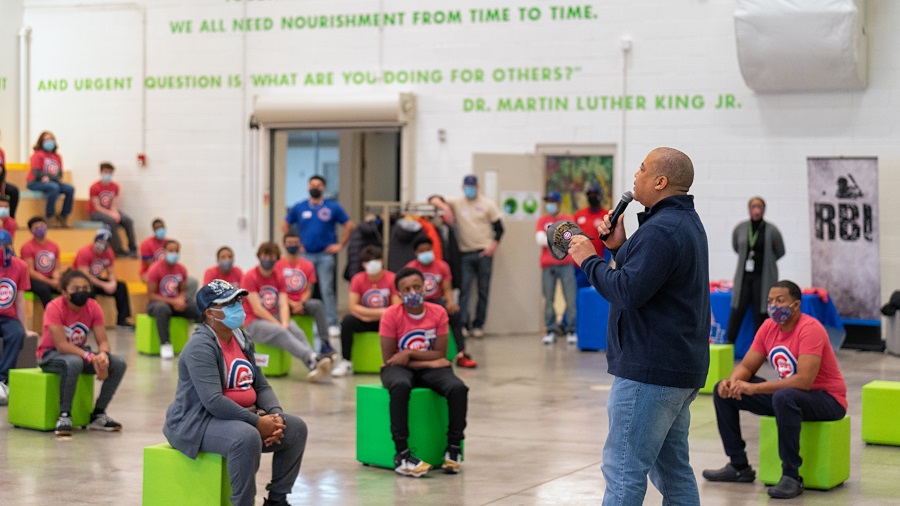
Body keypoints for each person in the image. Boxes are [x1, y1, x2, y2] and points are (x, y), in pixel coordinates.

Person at [568, 147, 710, 505]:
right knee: (674, 472)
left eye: (643, 169)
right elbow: (649, 278)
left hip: (650, 372)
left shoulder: (662, 230)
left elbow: (628, 291)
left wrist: (588, 259)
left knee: (623, 472)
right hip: (676, 369)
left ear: (660, 181)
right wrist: (620, 248)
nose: (635, 175)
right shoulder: (681, 223)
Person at [164, 279, 308, 506]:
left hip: (238, 416)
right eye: (229, 303)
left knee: (295, 428)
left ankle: (277, 500)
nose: (238, 307)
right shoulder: (200, 347)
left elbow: (260, 385)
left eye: (238, 300)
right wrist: (257, 423)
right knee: (246, 436)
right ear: (211, 313)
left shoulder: (242, 338)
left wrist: (275, 415)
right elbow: (213, 401)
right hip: (197, 422)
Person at [703, 280, 847, 499]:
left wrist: (754, 388)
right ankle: (739, 466)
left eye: (780, 301)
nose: (773, 306)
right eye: (770, 301)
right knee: (722, 392)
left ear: (796, 305)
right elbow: (747, 366)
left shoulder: (810, 329)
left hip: (826, 399)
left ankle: (791, 476)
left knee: (784, 396)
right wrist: (732, 383)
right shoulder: (769, 327)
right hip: (789, 398)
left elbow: (804, 381)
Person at [379, 267, 469, 477]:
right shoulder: (391, 315)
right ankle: (402, 455)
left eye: (417, 287)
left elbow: (441, 352)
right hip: (400, 370)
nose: (413, 292)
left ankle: (453, 448)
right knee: (400, 385)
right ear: (399, 294)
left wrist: (409, 353)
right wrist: (429, 361)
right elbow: (390, 359)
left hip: (423, 367)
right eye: (406, 289)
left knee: (458, 388)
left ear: (425, 287)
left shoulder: (438, 312)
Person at [37, 269, 126, 436]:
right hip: (51, 355)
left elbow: (103, 341)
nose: (81, 292)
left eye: (85, 288)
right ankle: (64, 416)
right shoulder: (54, 307)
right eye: (75, 289)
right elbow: (62, 345)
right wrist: (89, 356)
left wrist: (103, 356)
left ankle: (98, 414)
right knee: (74, 362)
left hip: (80, 354)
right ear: (64, 292)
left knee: (118, 363)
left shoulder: (93, 307)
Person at [240, 242, 333, 382]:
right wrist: (279, 325)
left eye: (271, 257)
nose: (268, 259)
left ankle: (312, 362)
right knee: (282, 331)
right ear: (259, 256)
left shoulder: (279, 276)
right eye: (265, 256)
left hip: (274, 316)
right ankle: (312, 359)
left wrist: (284, 322)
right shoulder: (250, 276)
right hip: (253, 323)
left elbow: (283, 303)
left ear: (276, 259)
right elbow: (257, 309)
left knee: (294, 328)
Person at [282, 175, 356, 337]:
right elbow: (285, 224)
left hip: (324, 255)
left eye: (319, 184)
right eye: (313, 184)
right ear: (308, 187)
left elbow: (349, 225)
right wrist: (294, 242)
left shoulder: (332, 207)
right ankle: (311, 320)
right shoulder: (300, 207)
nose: (315, 187)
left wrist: (340, 245)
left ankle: (331, 323)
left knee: (327, 289)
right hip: (305, 255)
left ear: (324, 188)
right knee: (306, 289)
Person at [405, 237, 477, 368]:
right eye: (422, 251)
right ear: (416, 253)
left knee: (455, 314)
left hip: (436, 302)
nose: (426, 253)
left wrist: (450, 303)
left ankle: (461, 354)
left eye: (428, 249)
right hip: (417, 302)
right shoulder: (411, 269)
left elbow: (447, 289)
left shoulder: (442, 266)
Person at [447, 174, 503, 338]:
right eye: (467, 186)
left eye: (473, 186)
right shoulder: (457, 202)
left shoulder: (487, 204)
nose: (470, 189)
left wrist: (492, 247)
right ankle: (463, 323)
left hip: (483, 252)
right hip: (465, 253)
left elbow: (499, 229)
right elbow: (436, 199)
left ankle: (479, 324)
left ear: (477, 187)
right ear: (462, 187)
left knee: (483, 290)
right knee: (464, 289)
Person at [333, 246, 399, 377]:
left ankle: (395, 360)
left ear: (382, 261)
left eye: (376, 260)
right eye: (368, 262)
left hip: (387, 321)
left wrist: (376, 315)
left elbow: (396, 306)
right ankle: (346, 361)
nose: (372, 264)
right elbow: (353, 306)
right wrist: (377, 314)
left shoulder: (392, 278)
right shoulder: (358, 279)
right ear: (363, 264)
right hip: (366, 320)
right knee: (347, 322)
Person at [727, 196, 786, 344]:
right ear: (749, 209)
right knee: (737, 310)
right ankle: (729, 344)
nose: (756, 209)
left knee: (761, 313)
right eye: (753, 206)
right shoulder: (740, 228)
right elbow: (736, 247)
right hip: (745, 278)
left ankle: (760, 348)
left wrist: (769, 262)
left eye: (759, 206)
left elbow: (780, 251)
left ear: (764, 209)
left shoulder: (772, 230)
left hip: (763, 278)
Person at [275, 233, 335, 355]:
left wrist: (301, 303)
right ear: (284, 245)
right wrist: (291, 304)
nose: (293, 245)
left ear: (300, 244)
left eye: (295, 243)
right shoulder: (277, 266)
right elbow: (277, 291)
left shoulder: (307, 265)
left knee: (317, 305)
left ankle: (325, 343)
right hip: (284, 303)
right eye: (290, 243)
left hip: (302, 302)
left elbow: (308, 289)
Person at [0, 229, 39, 405]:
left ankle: (2, 380)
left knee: (16, 335)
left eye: (5, 245)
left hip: (8, 317)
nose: (2, 249)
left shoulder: (20, 266)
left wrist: (24, 328)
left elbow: (20, 300)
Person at [535, 191, 577, 345]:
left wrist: (550, 237)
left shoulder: (567, 219)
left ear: (559, 203)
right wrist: (558, 237)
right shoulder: (542, 220)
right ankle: (550, 330)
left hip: (565, 264)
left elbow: (568, 239)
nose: (550, 205)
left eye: (552, 202)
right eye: (548, 202)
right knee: (548, 299)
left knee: (570, 299)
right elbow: (540, 240)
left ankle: (571, 330)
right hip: (547, 265)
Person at [146, 239, 200, 360]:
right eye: (171, 250)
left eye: (177, 251)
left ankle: (199, 343)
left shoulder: (181, 269)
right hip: (157, 304)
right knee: (162, 308)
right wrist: (173, 301)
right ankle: (165, 344)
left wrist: (180, 299)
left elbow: (182, 290)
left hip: (175, 303)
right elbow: (151, 296)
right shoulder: (155, 269)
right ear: (164, 251)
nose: (174, 253)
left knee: (198, 308)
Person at [73, 228, 132, 328]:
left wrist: (112, 283)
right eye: (101, 242)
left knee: (121, 286)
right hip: (81, 280)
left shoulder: (109, 253)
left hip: (96, 280)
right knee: (88, 290)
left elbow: (111, 271)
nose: (102, 245)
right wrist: (104, 285)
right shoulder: (85, 252)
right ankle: (89, 321)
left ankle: (122, 319)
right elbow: (85, 275)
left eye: (106, 243)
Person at [89, 162, 138, 257]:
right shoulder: (94, 187)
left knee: (128, 220)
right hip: (96, 213)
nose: (107, 174)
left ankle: (133, 249)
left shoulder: (115, 186)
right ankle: (118, 250)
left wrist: (115, 213)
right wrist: (111, 214)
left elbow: (114, 204)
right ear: (101, 172)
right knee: (111, 221)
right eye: (105, 172)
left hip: (109, 211)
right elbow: (97, 207)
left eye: (110, 172)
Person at [28, 131, 74, 228]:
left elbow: (59, 174)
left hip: (52, 182)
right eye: (46, 140)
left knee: (70, 189)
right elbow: (37, 173)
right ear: (41, 142)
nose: (49, 142)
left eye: (51, 139)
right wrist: (49, 178)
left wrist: (51, 178)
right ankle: (49, 216)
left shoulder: (57, 156)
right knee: (54, 187)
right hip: (35, 182)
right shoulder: (37, 155)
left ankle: (63, 215)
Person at [20, 217, 61, 308]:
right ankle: (51, 316)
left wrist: (56, 278)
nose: (40, 229)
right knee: (44, 289)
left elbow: (57, 267)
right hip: (33, 280)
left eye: (42, 226)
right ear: (31, 231)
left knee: (67, 286)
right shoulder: (27, 247)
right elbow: (30, 272)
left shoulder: (54, 246)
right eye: (36, 227)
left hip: (50, 278)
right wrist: (50, 282)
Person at [573, 183, 609, 283]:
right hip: (579, 265)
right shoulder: (579, 214)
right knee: (579, 295)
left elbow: (609, 242)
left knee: (596, 296)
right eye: (590, 194)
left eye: (595, 194)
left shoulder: (606, 215)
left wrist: (605, 263)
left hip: (597, 265)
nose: (592, 196)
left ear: (600, 196)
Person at [0, 141, 21, 218]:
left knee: (13, 191)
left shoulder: (1, 151)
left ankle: (11, 218)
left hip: (0, 180)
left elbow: (3, 168)